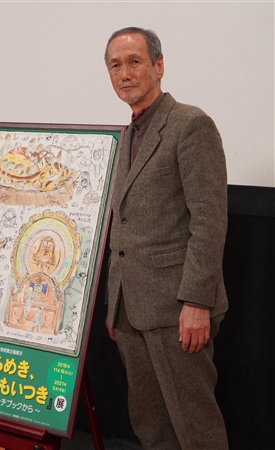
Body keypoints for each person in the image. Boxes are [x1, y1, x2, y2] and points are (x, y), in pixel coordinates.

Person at [104, 27, 229, 449]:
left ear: (159, 66)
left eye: (134, 62)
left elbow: (209, 222)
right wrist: (114, 304)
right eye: (115, 65)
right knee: (151, 427)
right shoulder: (126, 135)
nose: (125, 73)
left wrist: (197, 302)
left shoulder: (190, 124)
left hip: (178, 310)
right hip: (130, 310)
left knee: (195, 429)